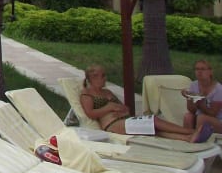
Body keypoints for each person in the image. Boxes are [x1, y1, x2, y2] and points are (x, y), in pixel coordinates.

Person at [79, 64, 213, 143]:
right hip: (112, 125)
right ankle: (192, 131)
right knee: (153, 121)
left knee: (155, 130)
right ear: (93, 78)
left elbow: (125, 108)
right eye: (102, 76)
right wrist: (109, 107)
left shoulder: (107, 92)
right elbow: (90, 113)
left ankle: (188, 138)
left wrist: (123, 109)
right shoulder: (87, 94)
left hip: (124, 120)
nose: (105, 78)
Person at [183, 59, 222, 136]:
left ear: (210, 72)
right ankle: (187, 137)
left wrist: (200, 103)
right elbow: (192, 110)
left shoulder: (218, 89)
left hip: (217, 121)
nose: (199, 72)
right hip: (200, 117)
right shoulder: (193, 85)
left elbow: (213, 113)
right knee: (188, 116)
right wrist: (189, 97)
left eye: (203, 69)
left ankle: (198, 138)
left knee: (202, 118)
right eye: (197, 69)